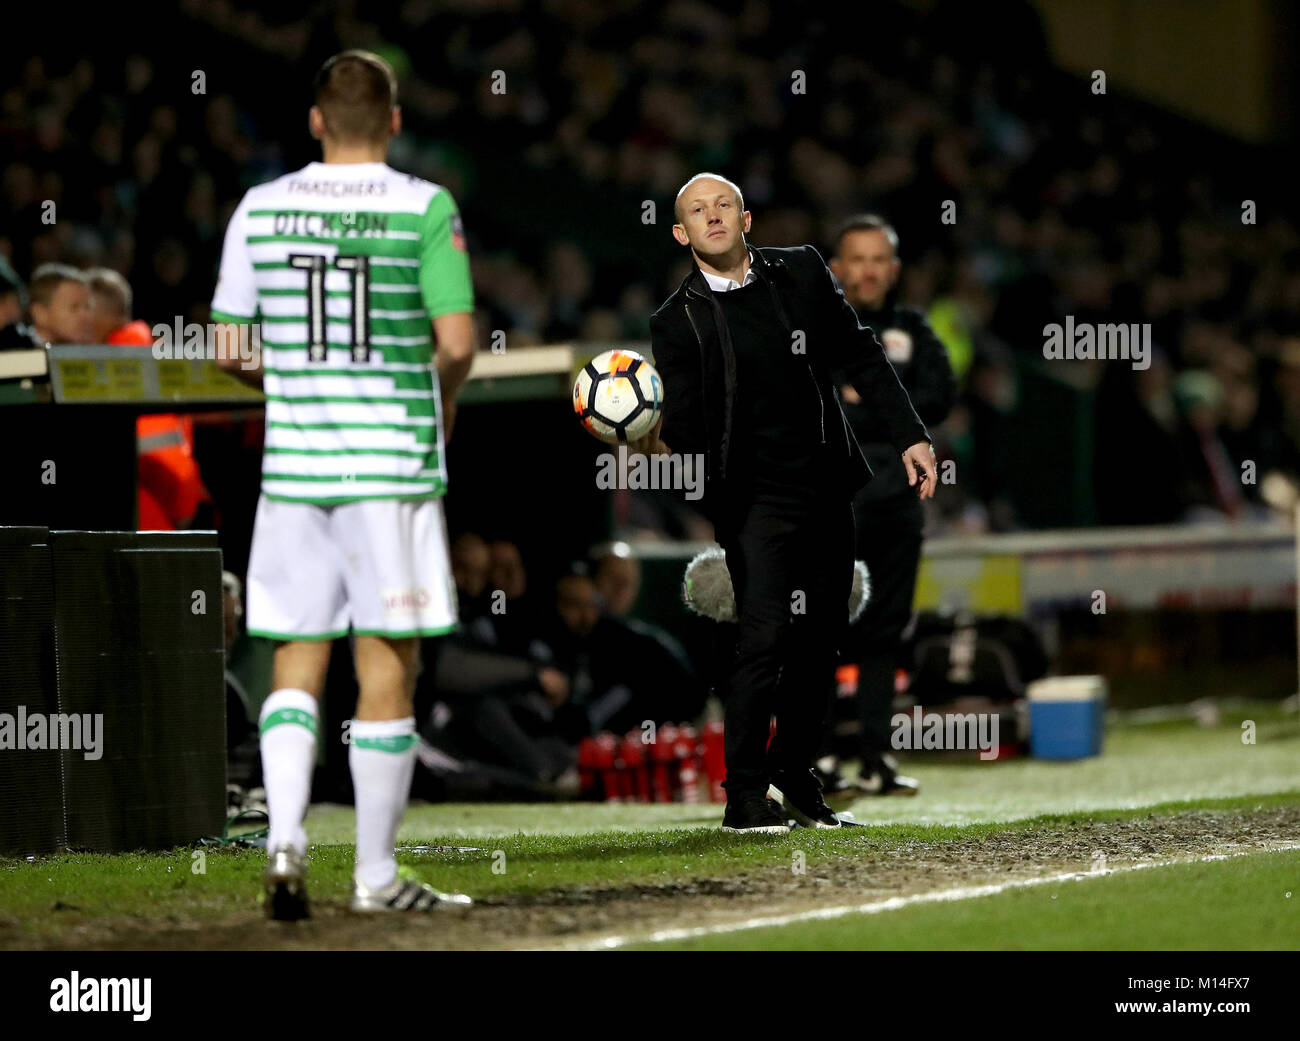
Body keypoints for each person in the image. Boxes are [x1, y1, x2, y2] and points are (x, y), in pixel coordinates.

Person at [212, 50, 476, 918]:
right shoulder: (423, 208)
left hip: (294, 472)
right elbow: (459, 341)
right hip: (391, 469)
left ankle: (285, 838)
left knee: (295, 656)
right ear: (395, 120)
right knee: (386, 665)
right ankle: (372, 874)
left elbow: (228, 350)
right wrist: (435, 406)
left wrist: (292, 383)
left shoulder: (260, 206)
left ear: (317, 121)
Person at [634, 174, 935, 834]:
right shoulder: (674, 320)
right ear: (682, 232)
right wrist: (649, 437)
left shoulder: (800, 270)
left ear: (745, 216)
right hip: (752, 499)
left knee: (822, 640)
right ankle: (743, 796)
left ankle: (794, 776)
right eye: (696, 211)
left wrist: (910, 433)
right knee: (763, 636)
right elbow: (684, 423)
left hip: (826, 485)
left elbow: (860, 351)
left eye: (723, 205)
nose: (712, 217)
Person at [828, 215, 956, 796]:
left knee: (885, 631)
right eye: (857, 258)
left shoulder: (913, 329)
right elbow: (814, 407)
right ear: (836, 267)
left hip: (900, 502)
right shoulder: (813, 329)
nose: (869, 269)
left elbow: (940, 399)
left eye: (879, 259)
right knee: (822, 628)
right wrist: (893, 408)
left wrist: (865, 401)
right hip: (833, 500)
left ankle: (876, 759)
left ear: (895, 269)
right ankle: (818, 757)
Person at [27, 264, 93, 346]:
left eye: (88, 307)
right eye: (74, 307)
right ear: (40, 313)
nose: (86, 316)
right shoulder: (13, 353)